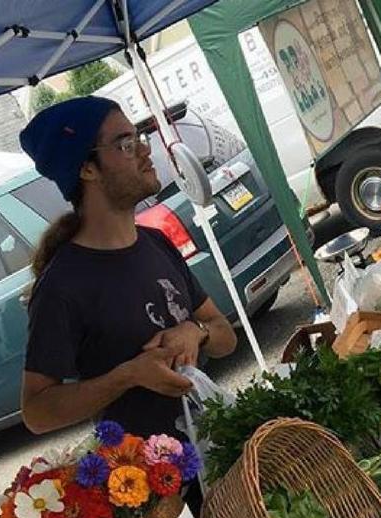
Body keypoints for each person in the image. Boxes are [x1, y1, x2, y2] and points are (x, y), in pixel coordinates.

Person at [19, 96, 236, 441]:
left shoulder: (156, 242)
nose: (145, 151)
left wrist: (196, 331)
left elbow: (226, 336)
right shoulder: (62, 286)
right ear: (87, 169)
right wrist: (128, 375)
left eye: (139, 138)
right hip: (147, 483)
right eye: (126, 144)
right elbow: (37, 412)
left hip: (216, 452)